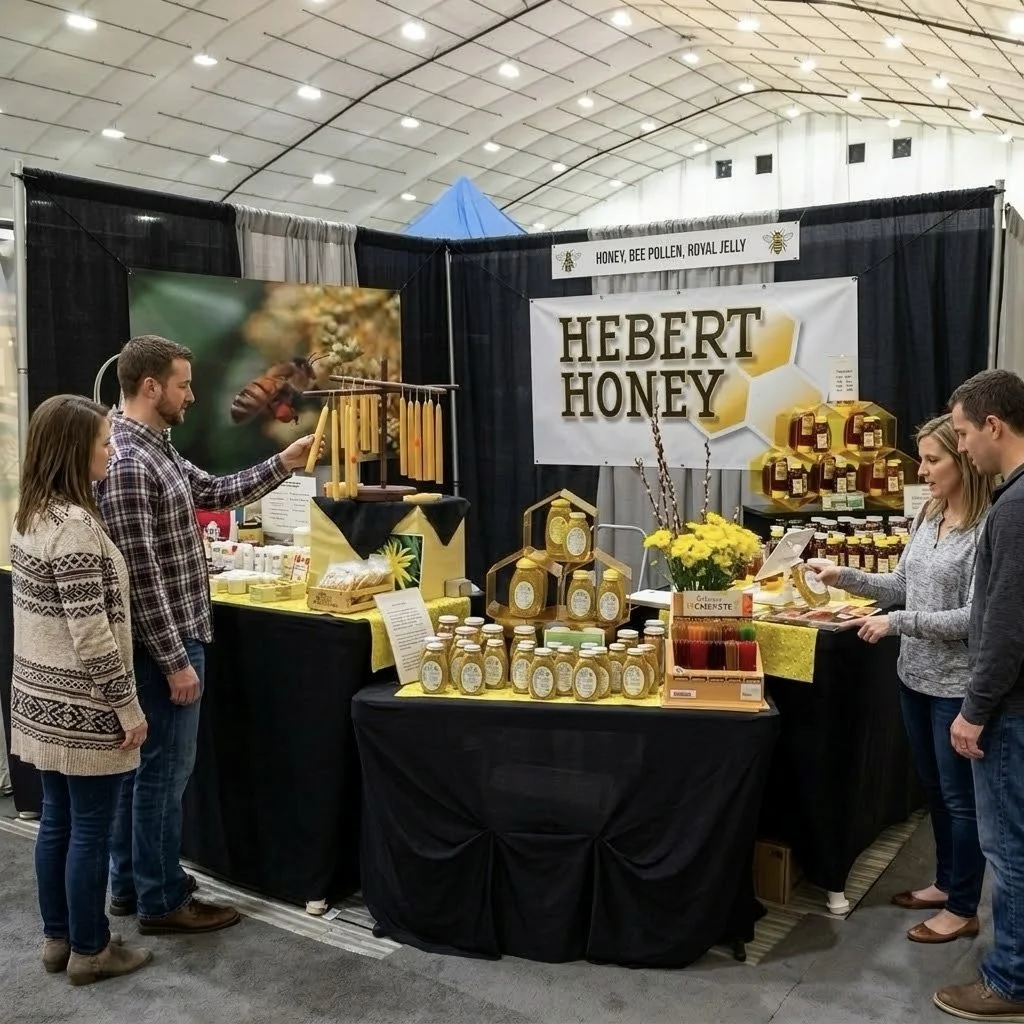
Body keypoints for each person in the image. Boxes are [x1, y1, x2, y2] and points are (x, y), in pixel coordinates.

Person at [98, 335, 319, 935]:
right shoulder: (129, 461)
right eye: (183, 384)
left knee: (145, 773)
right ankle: (161, 900)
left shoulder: (154, 448)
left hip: (170, 638)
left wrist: (283, 463)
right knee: (162, 777)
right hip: (162, 645)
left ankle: (132, 883)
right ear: (151, 387)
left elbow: (212, 491)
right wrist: (175, 662)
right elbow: (141, 579)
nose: (192, 396)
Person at [812, 414, 992, 946]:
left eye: (933, 461)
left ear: (963, 460)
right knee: (935, 792)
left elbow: (973, 617)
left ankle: (962, 908)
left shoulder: (987, 528)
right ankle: (945, 883)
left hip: (955, 687)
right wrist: (843, 575)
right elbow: (899, 584)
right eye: (922, 461)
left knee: (960, 801)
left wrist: (897, 624)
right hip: (914, 679)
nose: (923, 472)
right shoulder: (928, 515)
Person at [10, 395, 151, 985]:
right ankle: (91, 949)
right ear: (74, 450)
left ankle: (58, 940)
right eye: (103, 441)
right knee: (90, 828)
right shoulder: (74, 528)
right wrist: (128, 709)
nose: (111, 450)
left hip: (38, 702)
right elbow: (92, 636)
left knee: (58, 822)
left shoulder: (31, 514)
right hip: (84, 707)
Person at [935, 369, 1024, 1021]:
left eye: (964, 434)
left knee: (1008, 849)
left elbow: (1003, 627)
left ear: (994, 425)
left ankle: (1011, 981)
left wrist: (973, 711)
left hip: (1010, 712)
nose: (962, 447)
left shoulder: (1014, 508)